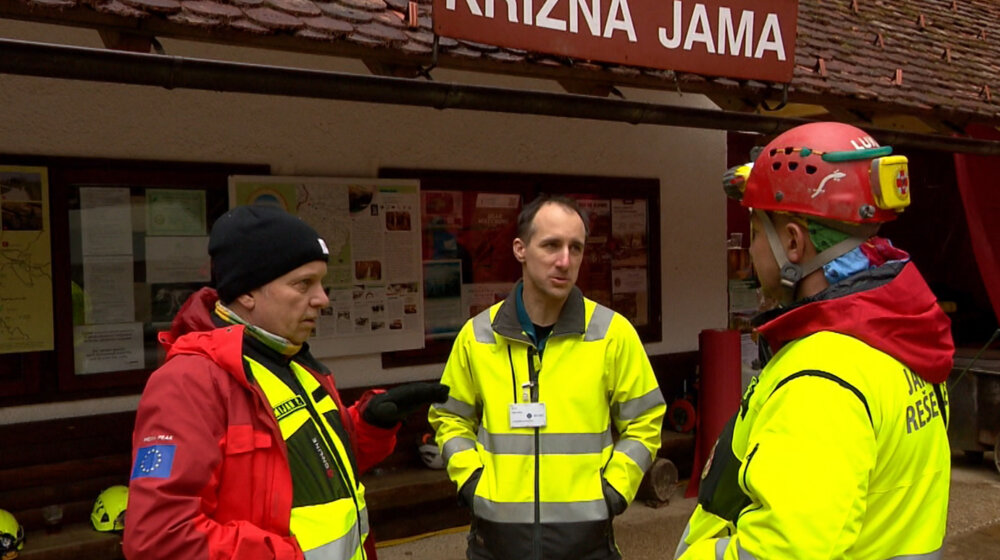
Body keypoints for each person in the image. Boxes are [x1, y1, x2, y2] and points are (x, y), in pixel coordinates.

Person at [675, 122, 954, 559]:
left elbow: (784, 551)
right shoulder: (901, 336)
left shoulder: (822, 378)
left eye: (754, 233)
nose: (750, 253)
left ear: (792, 242)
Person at [123, 204, 448, 560]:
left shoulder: (295, 364)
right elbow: (161, 538)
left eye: (321, 282)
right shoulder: (190, 382)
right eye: (303, 283)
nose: (322, 299)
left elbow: (313, 471)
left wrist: (370, 425)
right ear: (247, 291)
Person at [429, 194, 666, 560]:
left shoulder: (611, 334)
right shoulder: (477, 336)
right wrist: (473, 483)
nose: (565, 261)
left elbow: (646, 420)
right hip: (496, 542)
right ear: (520, 249)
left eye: (576, 248)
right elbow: (449, 417)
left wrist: (614, 491)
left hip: (587, 541)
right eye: (552, 245)